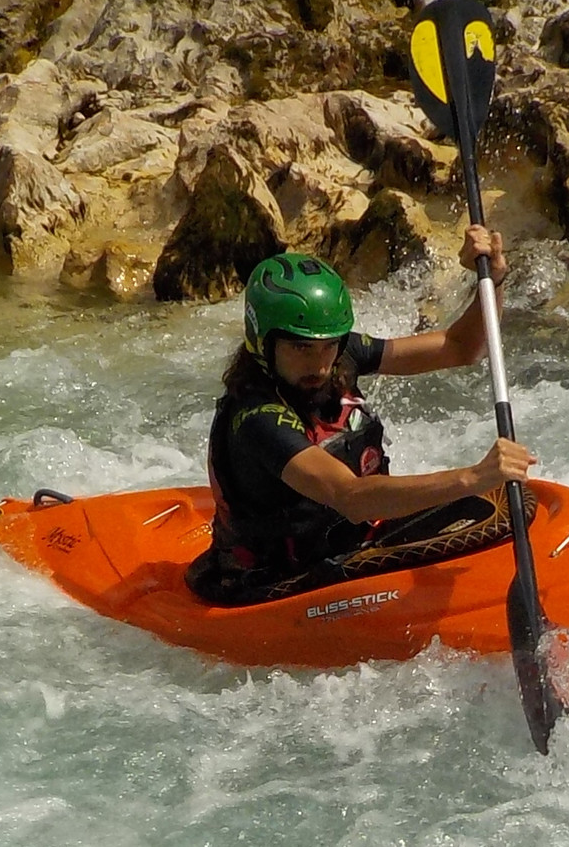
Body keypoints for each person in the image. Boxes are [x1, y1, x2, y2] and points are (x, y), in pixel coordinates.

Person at [186, 228, 538, 606]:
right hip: (277, 581)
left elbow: (460, 347)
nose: (319, 365)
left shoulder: (339, 354)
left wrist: (491, 281)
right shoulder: (257, 418)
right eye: (301, 348)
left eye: (328, 346)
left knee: (501, 506)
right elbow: (351, 497)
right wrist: (471, 477)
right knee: (473, 492)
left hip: (351, 542)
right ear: (263, 340)